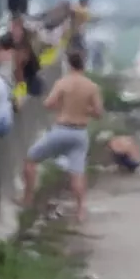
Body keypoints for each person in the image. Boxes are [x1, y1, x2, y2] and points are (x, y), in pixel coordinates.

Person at [21, 51, 103, 223]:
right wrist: (84, 109)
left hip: (61, 129)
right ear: (83, 65)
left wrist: (64, 105)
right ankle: (80, 211)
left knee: (30, 160)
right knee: (77, 173)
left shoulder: (63, 83)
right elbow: (98, 113)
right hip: (80, 133)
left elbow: (48, 104)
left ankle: (27, 199)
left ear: (68, 65)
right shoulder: (91, 86)